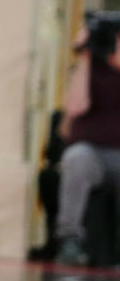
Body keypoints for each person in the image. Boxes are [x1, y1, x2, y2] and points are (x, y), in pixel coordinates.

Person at [55, 16, 120, 265]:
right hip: (92, 153)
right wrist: (84, 56)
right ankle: (69, 239)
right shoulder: (88, 69)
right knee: (76, 158)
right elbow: (75, 107)